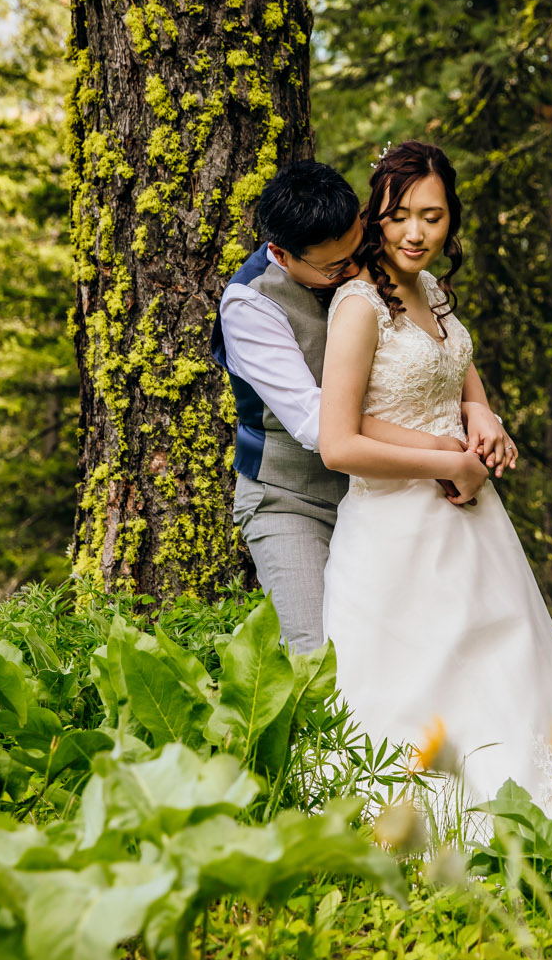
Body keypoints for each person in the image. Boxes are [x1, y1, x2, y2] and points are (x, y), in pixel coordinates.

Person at [317, 142, 552, 826]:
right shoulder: (357, 306)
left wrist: (484, 412)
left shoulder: (431, 290)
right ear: (375, 215)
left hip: (472, 521)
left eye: (433, 217)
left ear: (451, 220)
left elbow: (455, 366)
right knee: (415, 679)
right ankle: (417, 827)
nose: (416, 233)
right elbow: (338, 443)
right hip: (394, 531)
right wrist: (448, 461)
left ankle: (524, 815)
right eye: (401, 215)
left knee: (502, 661)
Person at [214, 161, 514, 654]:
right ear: (282, 255)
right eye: (335, 268)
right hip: (294, 498)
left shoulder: (371, 252)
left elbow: (434, 343)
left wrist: (475, 407)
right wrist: (443, 449)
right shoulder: (251, 305)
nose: (354, 271)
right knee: (321, 658)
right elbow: (319, 424)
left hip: (388, 494)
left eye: (358, 250)